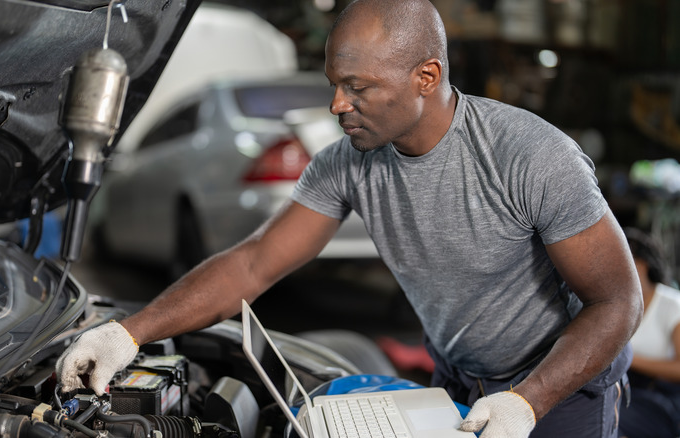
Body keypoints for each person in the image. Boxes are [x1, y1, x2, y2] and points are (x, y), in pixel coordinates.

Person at [56, 1, 643, 436]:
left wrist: (529, 401)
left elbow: (618, 302)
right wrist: (129, 332)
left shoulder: (531, 157)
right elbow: (254, 263)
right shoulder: (347, 164)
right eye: (336, 84)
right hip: (460, 376)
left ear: (427, 77)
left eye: (358, 87)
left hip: (560, 387)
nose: (337, 105)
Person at [619, 227, 680, 437]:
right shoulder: (617, 308)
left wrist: (628, 359)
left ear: (641, 265)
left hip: (662, 398)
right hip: (629, 392)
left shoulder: (672, 305)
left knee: (613, 417)